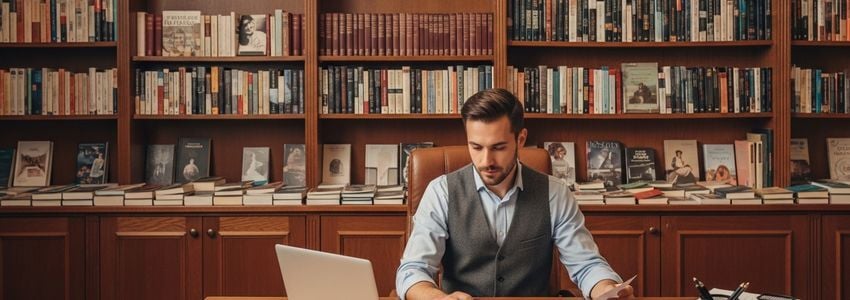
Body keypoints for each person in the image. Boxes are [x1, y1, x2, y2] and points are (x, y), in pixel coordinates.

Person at [396, 89, 632, 300]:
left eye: (498, 147)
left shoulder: (554, 193)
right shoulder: (441, 192)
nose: (486, 160)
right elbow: (413, 269)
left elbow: (586, 264)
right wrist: (438, 298)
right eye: (476, 147)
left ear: (520, 139)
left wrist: (605, 288)